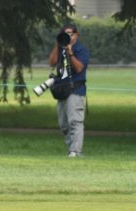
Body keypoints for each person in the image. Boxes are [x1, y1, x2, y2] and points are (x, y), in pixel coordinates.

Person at [48, 22, 89, 157]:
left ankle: (75, 151)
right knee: (63, 124)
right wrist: (58, 44)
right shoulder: (60, 48)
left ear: (76, 35)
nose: (68, 36)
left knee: (75, 121)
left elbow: (78, 68)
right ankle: (71, 149)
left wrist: (70, 53)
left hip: (75, 89)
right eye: (65, 34)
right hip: (61, 89)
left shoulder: (81, 50)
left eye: (70, 34)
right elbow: (51, 62)